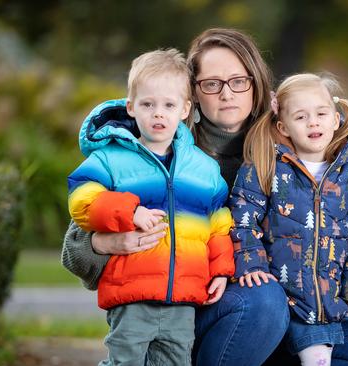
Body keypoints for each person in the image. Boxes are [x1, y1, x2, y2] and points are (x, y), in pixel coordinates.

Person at [62, 28, 348, 366]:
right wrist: (108, 244)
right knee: (263, 303)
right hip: (207, 306)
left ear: (256, 83)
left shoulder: (296, 136)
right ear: (193, 95)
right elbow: (75, 249)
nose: (227, 93)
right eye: (212, 84)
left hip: (301, 303)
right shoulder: (168, 155)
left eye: (238, 80)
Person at [67, 48, 234, 365]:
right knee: (124, 360)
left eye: (169, 105)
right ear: (131, 107)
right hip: (131, 293)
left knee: (174, 360)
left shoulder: (203, 169)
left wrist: (222, 270)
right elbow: (81, 199)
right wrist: (129, 212)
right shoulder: (110, 159)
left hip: (182, 298)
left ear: (185, 109)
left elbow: (218, 222)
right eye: (147, 104)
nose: (158, 113)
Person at [230, 73, 348, 366]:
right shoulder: (266, 165)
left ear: (336, 118)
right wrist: (252, 263)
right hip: (282, 296)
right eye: (301, 116)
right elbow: (244, 219)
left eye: (321, 114)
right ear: (283, 127)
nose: (313, 122)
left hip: (325, 301)